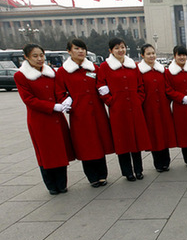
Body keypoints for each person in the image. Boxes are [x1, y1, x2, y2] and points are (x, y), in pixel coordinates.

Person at [14, 43, 75, 194]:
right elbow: (28, 99)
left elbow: (59, 91)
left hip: (56, 119)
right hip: (39, 120)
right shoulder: (21, 75)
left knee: (60, 151)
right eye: (35, 56)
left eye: (41, 55)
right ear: (26, 57)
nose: (39, 59)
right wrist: (51, 106)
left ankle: (62, 183)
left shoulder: (51, 73)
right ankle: (51, 185)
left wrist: (65, 100)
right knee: (45, 153)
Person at [55, 39, 114, 188]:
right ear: (69, 51)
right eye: (76, 49)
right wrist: (66, 102)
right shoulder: (63, 72)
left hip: (97, 111)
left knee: (99, 142)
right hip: (79, 114)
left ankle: (102, 174)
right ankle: (92, 176)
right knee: (85, 145)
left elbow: (101, 85)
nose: (81, 51)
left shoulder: (94, 68)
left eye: (83, 49)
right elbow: (60, 92)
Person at [97, 37, 151, 181]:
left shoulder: (132, 65)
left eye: (122, 47)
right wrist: (111, 101)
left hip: (135, 107)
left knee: (136, 139)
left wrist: (138, 100)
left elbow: (140, 86)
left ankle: (139, 170)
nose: (120, 50)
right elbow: (101, 87)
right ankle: (127, 171)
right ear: (110, 51)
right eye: (116, 48)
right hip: (118, 109)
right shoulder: (105, 67)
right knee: (122, 141)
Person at [138, 44, 177, 172]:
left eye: (153, 53)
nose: (151, 56)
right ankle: (158, 163)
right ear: (142, 55)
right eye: (148, 54)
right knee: (154, 135)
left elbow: (168, 88)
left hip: (163, 107)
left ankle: (166, 162)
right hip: (149, 108)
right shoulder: (139, 72)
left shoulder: (162, 70)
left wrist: (170, 100)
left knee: (164, 134)